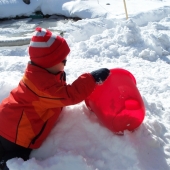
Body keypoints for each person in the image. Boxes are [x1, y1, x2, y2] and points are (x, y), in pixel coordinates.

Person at [0, 27, 110, 170]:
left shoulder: (37, 73)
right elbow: (69, 95)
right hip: (16, 135)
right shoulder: (43, 87)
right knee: (14, 161)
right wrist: (92, 79)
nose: (65, 64)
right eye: (63, 61)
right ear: (49, 63)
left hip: (7, 119)